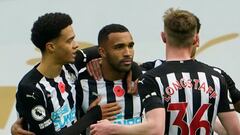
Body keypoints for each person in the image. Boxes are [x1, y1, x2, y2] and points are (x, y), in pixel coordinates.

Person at [90, 8, 240, 135]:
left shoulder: (151, 78)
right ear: (195, 39)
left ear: (163, 37)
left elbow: (156, 129)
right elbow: (235, 130)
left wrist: (112, 128)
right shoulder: (215, 77)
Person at [14, 12, 106, 135]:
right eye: (69, 41)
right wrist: (93, 115)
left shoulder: (70, 65)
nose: (76, 45)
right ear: (51, 47)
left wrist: (134, 71)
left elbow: (108, 49)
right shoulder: (30, 89)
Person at [78, 24, 142, 133]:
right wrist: (89, 118)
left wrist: (137, 70)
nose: (127, 53)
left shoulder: (144, 81)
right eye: (119, 47)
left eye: (130, 46)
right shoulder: (81, 84)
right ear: (102, 52)